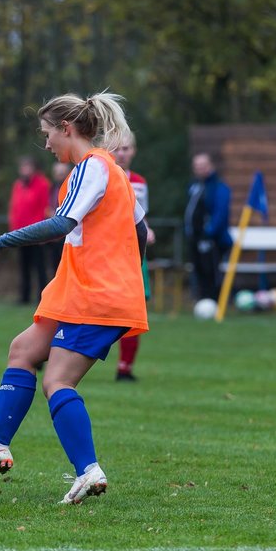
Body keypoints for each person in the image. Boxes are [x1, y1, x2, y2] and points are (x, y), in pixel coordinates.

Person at [0, 92, 149, 505]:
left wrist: (0, 241)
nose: (46, 144)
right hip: (83, 291)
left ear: (67, 129)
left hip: (95, 296)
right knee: (24, 349)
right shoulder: (111, 171)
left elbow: (62, 224)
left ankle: (89, 471)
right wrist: (129, 276)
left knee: (57, 380)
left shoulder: (92, 167)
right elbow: (139, 229)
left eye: (47, 134)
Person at [113, 132, 155, 381]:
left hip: (134, 253)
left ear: (134, 151)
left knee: (135, 310)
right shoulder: (104, 177)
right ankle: (52, 351)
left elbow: (140, 214)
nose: (122, 153)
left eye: (126, 148)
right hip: (110, 253)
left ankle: (125, 367)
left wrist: (147, 230)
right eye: (118, 148)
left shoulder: (139, 182)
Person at [184, 153, 232, 301]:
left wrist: (209, 232)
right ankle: (202, 300)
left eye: (203, 166)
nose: (199, 169)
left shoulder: (218, 186)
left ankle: (215, 301)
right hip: (195, 238)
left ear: (210, 166)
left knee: (211, 270)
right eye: (197, 166)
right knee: (198, 270)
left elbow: (220, 212)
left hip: (212, 240)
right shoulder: (194, 185)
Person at [7, 156, 51, 304]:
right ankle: (24, 297)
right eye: (23, 167)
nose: (24, 170)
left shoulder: (42, 184)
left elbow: (44, 208)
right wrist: (13, 230)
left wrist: (40, 232)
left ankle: (42, 298)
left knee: (40, 267)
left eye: (27, 167)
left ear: (33, 168)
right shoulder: (18, 185)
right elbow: (14, 208)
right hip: (20, 233)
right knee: (24, 266)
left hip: (36, 233)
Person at [46, 160, 71, 274]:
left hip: (66, 234)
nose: (59, 176)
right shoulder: (52, 187)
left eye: (61, 173)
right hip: (53, 234)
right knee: (54, 266)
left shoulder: (71, 188)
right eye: (57, 173)